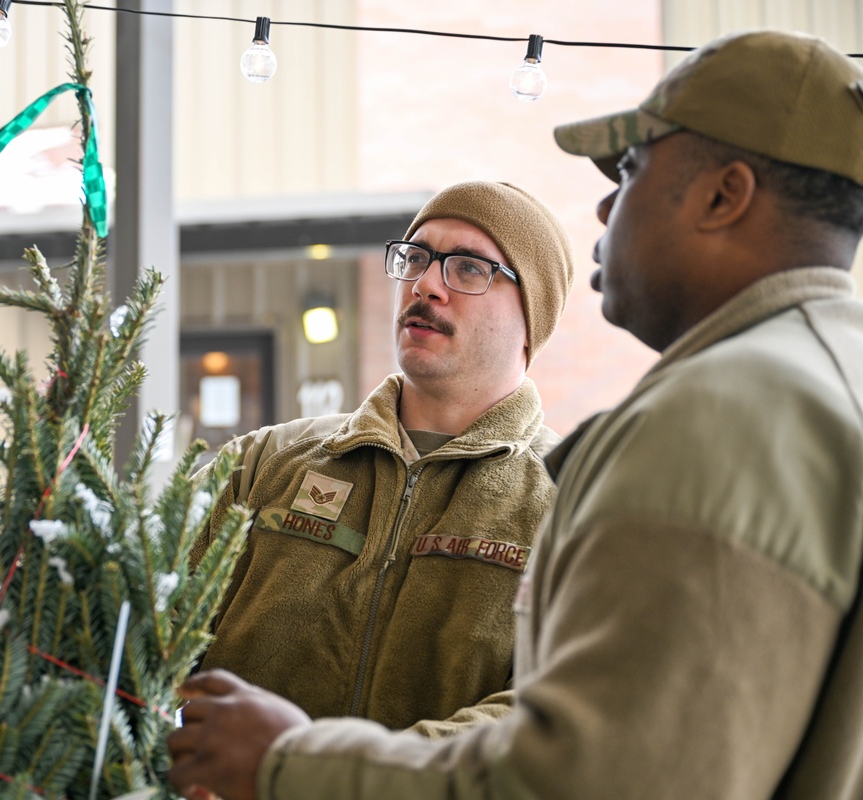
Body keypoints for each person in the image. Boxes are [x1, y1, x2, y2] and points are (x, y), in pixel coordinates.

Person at [166, 29, 863, 800]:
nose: (604, 202)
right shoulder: (267, 462)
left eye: (630, 168)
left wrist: (295, 762)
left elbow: (586, 772)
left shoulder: (718, 421)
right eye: (417, 258)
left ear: (723, 194)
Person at [185, 180, 575, 735]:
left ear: (531, 319)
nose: (425, 284)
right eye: (416, 257)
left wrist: (321, 770)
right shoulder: (263, 465)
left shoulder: (572, 500)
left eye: (467, 268)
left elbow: (554, 713)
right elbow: (135, 617)